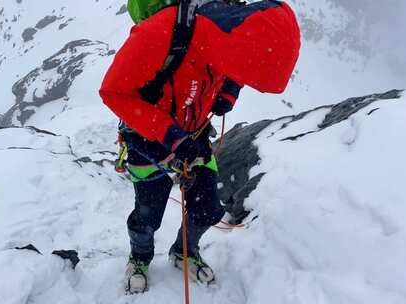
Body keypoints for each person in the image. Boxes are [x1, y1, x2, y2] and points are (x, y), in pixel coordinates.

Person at [99, 0, 300, 294]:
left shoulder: (231, 34)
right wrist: (172, 137)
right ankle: (140, 257)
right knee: (148, 211)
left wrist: (228, 93)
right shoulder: (160, 32)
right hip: (147, 140)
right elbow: (114, 92)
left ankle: (184, 252)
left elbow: (235, 68)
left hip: (193, 136)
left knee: (207, 208)